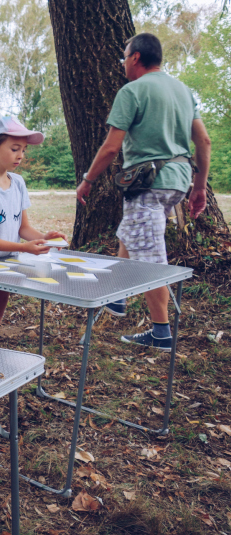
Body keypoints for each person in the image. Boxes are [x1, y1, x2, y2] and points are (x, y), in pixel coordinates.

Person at [77, 32, 212, 351]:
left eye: (125, 56)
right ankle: (118, 298)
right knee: (133, 232)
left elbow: (111, 148)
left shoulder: (133, 91)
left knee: (151, 258)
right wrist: (200, 186)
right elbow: (203, 141)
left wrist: (88, 180)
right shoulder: (183, 90)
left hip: (149, 182)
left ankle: (161, 331)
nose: (123, 63)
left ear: (136, 57)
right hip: (178, 180)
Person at [0, 116, 66, 423]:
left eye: (24, 150)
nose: (22, 155)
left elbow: (24, 228)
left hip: (6, 272)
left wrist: (43, 237)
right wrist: (23, 249)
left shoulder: (18, 183)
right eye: (15, 148)